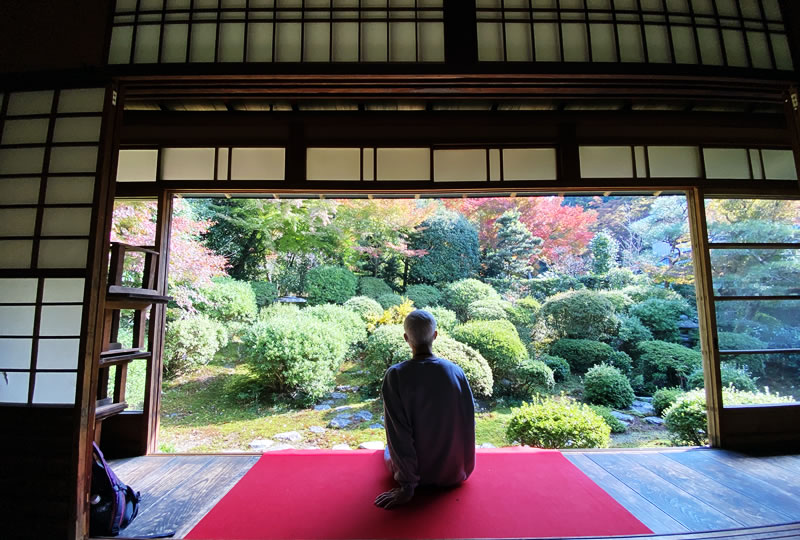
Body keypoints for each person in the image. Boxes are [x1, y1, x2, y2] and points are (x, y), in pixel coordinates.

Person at [374, 309, 476, 510]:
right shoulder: (455, 372)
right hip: (455, 473)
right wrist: (463, 468)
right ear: (435, 336)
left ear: (406, 338)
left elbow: (399, 436)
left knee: (387, 449)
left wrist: (407, 486)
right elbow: (467, 424)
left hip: (416, 478)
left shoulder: (396, 376)